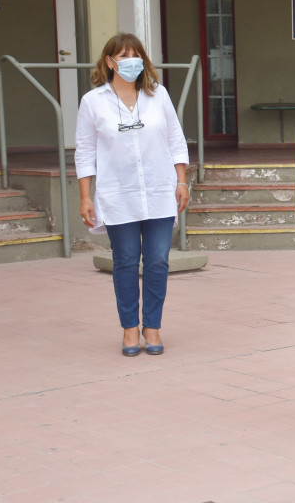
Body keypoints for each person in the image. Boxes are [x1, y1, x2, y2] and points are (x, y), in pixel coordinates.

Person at [75, 33, 190, 357]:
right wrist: (86, 197)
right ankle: (129, 328)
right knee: (125, 263)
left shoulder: (159, 96)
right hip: (117, 196)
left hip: (158, 192)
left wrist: (181, 182)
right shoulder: (93, 101)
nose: (132, 61)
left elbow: (176, 141)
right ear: (110, 61)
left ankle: (152, 326)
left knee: (157, 261)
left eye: (136, 54)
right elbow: (84, 153)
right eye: (124, 55)